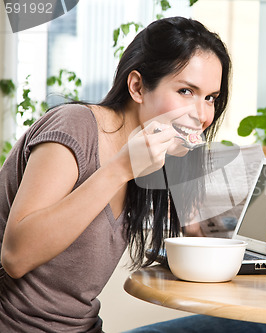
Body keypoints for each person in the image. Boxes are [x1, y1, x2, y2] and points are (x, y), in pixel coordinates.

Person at [0, 16, 237, 332]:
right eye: (185, 91)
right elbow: (16, 257)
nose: (203, 114)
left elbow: (197, 240)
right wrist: (121, 169)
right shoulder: (75, 127)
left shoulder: (155, 156)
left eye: (211, 98)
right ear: (138, 87)